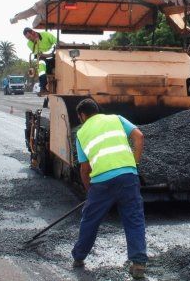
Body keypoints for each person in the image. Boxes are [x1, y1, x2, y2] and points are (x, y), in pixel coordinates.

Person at [71, 99, 147, 279]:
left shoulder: (81, 133)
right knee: (134, 219)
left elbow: (85, 168)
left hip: (101, 182)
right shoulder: (116, 118)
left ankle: (79, 257)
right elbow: (139, 136)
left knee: (90, 219)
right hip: (128, 176)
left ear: (82, 116)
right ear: (97, 110)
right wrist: (134, 164)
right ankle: (138, 264)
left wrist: (90, 191)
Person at [23, 27, 57, 96]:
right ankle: (43, 88)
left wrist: (51, 53)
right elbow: (39, 55)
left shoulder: (46, 35)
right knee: (40, 65)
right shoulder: (29, 44)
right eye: (28, 38)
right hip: (44, 60)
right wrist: (36, 42)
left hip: (54, 58)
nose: (29, 39)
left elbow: (56, 43)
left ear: (33, 32)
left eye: (29, 37)